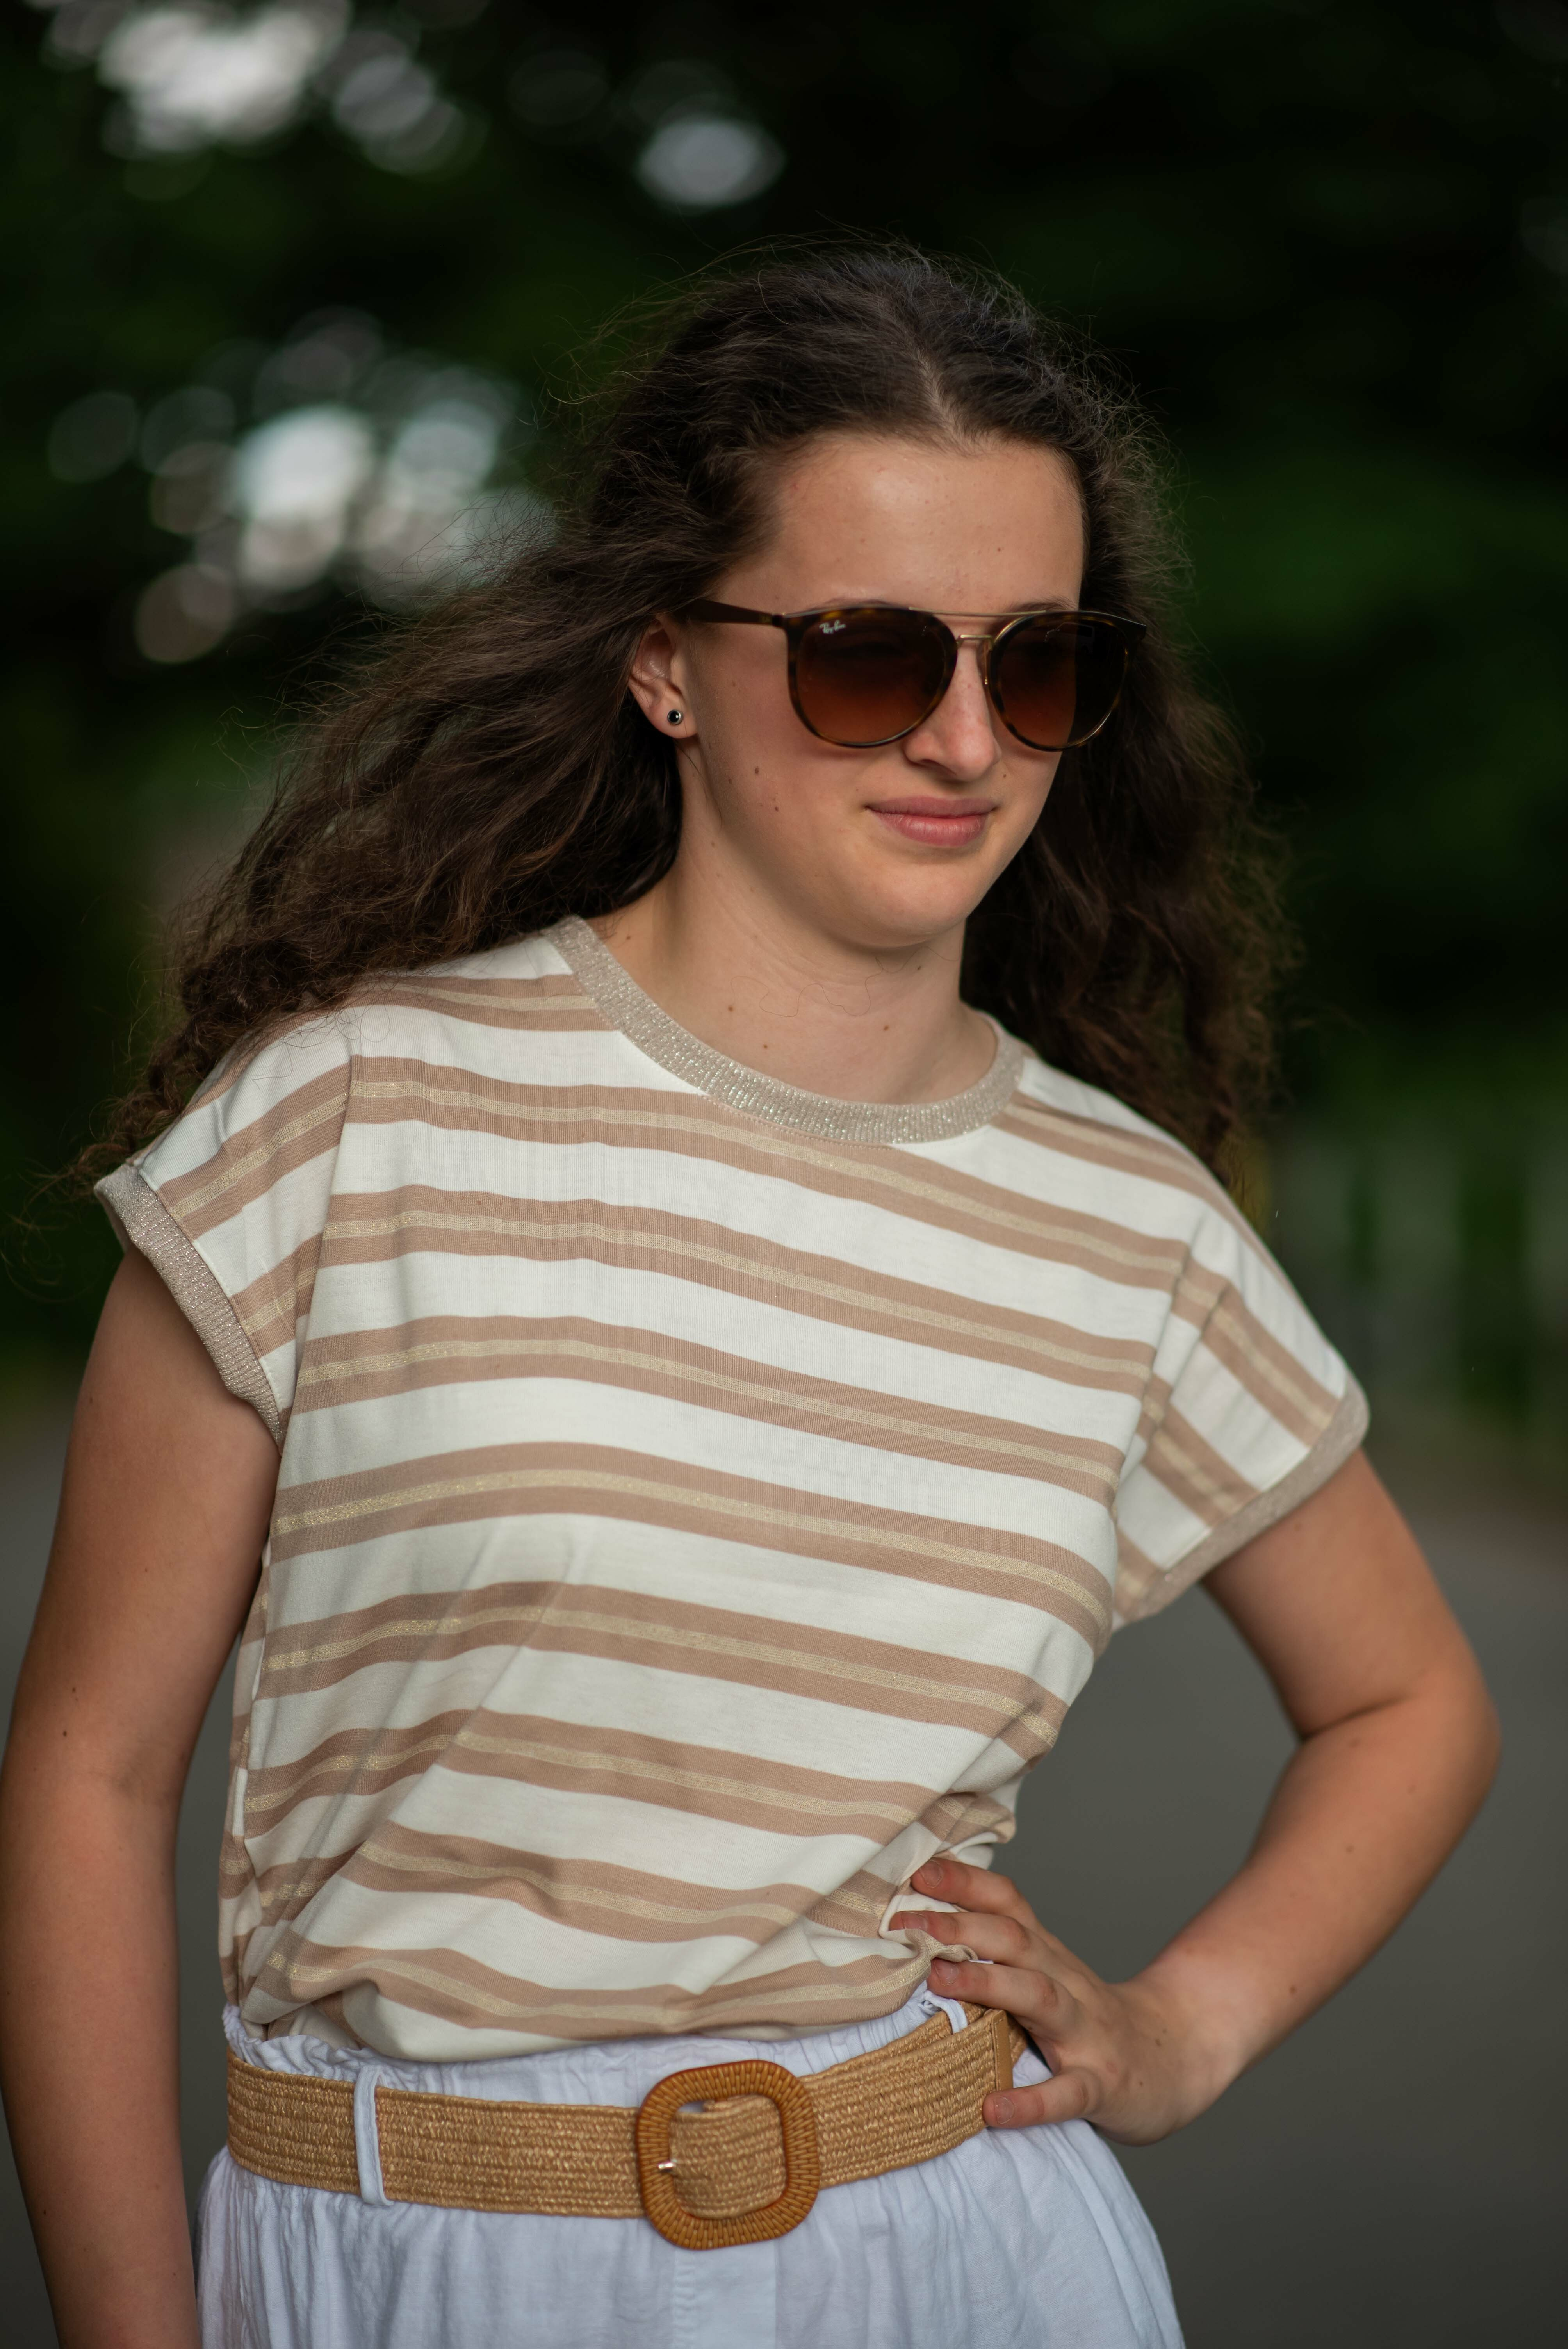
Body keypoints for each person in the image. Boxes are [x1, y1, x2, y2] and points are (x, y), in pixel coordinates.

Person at [0, 249, 1498, 2349]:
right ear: (665, 666)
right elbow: (85, 1779)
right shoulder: (353, 1119)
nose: (965, 740)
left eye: (1040, 663)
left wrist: (1186, 2025)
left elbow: (1411, 1702)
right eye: (870, 656)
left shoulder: (1132, 1224)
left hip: (970, 2261)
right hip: (420, 2270)